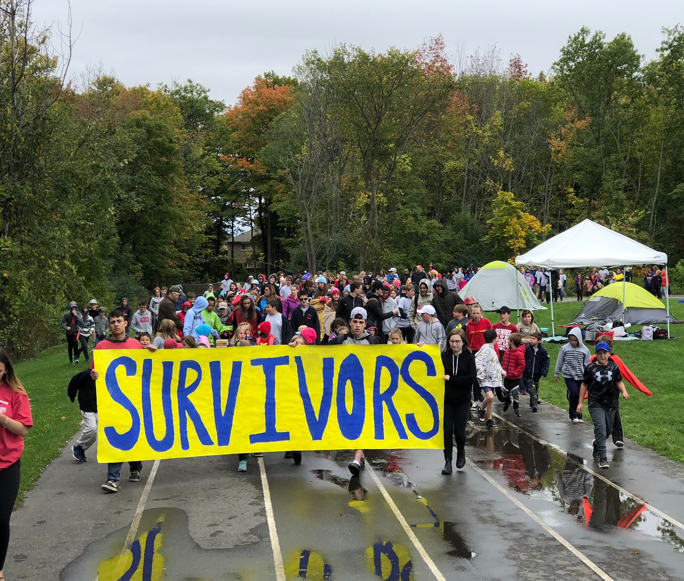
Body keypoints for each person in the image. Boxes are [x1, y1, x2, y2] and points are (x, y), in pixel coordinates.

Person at [89, 310, 151, 492]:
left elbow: (147, 368)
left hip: (133, 396)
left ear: (126, 323)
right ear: (108, 325)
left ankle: (135, 466)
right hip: (112, 399)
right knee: (114, 436)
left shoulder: (135, 344)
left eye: (119, 321)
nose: (116, 324)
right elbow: (94, 370)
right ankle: (112, 478)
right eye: (112, 321)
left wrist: (153, 352)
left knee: (134, 431)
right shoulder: (101, 347)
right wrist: (94, 374)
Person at [328, 307, 380, 476]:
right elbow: (315, 355)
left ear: (365, 324)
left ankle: (357, 458)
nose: (357, 325)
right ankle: (358, 455)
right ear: (350, 322)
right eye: (355, 322)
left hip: (365, 391)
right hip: (344, 392)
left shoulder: (373, 342)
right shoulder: (339, 341)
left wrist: (419, 348)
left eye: (361, 322)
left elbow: (394, 355)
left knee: (363, 424)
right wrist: (296, 346)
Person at [0, 348, 33, 580]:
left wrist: (1, 418)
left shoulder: (15, 392)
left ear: (6, 370)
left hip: (7, 463)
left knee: (1, 519)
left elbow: (22, 429)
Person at [577, 342, 629, 469]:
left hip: (610, 404)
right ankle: (603, 458)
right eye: (599, 353)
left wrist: (624, 391)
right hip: (595, 403)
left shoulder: (614, 367)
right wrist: (580, 403)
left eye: (604, 353)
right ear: (595, 354)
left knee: (608, 430)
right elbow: (584, 385)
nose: (602, 356)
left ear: (609, 353)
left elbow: (618, 381)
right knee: (600, 428)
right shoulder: (590, 368)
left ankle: (597, 446)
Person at [441, 329, 476, 474]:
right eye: (452, 341)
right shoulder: (444, 356)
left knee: (459, 432)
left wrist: (451, 379)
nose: (454, 344)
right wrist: (421, 347)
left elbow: (471, 378)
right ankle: (447, 461)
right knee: (447, 431)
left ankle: (461, 451)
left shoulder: (468, 357)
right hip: (447, 400)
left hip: (462, 400)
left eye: (457, 341)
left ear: (463, 342)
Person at [555, 328, 591, 423]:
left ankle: (579, 415)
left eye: (575, 340)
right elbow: (560, 361)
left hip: (580, 376)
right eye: (571, 340)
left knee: (579, 396)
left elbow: (587, 364)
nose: (573, 342)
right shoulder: (564, 348)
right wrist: (557, 373)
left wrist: (589, 376)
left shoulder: (585, 350)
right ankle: (573, 415)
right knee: (574, 393)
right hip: (568, 375)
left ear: (579, 339)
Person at [68, 369, 97, 463]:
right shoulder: (85, 374)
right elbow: (73, 383)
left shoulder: (107, 372)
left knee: (96, 432)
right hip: (87, 406)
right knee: (92, 428)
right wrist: (72, 396)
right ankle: (79, 446)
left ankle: (82, 448)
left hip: (100, 406)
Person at [475, 329, 502, 428]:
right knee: (490, 397)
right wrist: (481, 375)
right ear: (495, 339)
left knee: (491, 400)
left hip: (493, 379)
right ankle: (482, 410)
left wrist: (502, 372)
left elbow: (495, 363)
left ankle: (489, 420)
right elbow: (478, 361)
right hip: (486, 379)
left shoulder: (491, 349)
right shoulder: (486, 349)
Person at [523, 332, 549, 412]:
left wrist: (544, 371)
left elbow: (546, 361)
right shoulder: (527, 349)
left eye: (533, 339)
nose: (531, 340)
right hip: (528, 373)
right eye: (531, 338)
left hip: (537, 373)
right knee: (532, 388)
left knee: (536, 387)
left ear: (539, 341)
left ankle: (532, 401)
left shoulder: (542, 351)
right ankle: (535, 404)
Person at [501, 333, 526, 417]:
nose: (508, 341)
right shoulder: (507, 351)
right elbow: (504, 362)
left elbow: (522, 365)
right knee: (505, 391)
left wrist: (515, 373)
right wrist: (502, 371)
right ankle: (507, 402)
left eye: (509, 340)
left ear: (513, 342)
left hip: (515, 378)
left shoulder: (519, 353)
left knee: (515, 393)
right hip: (507, 376)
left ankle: (516, 408)